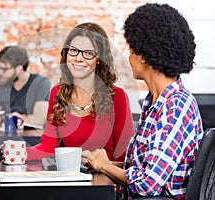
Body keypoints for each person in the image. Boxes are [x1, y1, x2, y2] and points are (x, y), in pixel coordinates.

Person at [86, 3, 204, 200]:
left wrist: (104, 166)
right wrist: (100, 163)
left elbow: (148, 183)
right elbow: (145, 167)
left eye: (131, 50)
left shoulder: (175, 107)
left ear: (143, 56)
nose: (129, 57)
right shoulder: (156, 102)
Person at [18, 22, 135, 163]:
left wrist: (98, 164)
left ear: (99, 59)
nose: (78, 58)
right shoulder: (58, 93)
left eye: (88, 53)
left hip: (106, 180)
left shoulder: (117, 97)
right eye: (73, 50)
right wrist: (20, 152)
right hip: (72, 178)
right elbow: (48, 146)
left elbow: (126, 157)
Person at [0, 45, 51, 128]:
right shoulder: (1, 82)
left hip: (33, 137)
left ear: (19, 69)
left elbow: (39, 119)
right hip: (6, 135)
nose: (0, 73)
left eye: (4, 69)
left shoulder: (41, 83)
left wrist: (11, 119)